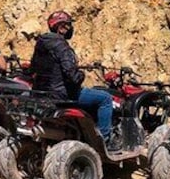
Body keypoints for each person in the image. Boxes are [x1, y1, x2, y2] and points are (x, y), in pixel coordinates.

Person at [31, 11, 117, 148]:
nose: (71, 28)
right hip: (62, 94)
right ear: (62, 27)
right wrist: (81, 74)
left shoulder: (41, 44)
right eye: (69, 25)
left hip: (41, 93)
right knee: (105, 98)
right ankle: (105, 140)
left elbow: (32, 69)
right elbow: (72, 77)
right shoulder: (62, 46)